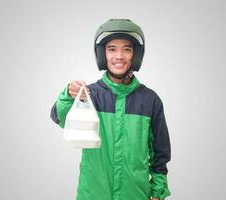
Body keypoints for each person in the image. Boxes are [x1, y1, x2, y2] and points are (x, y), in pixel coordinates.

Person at [50, 19, 171, 200]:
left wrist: (158, 191)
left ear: (135, 55)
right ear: (102, 54)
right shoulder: (89, 94)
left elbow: (160, 151)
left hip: (135, 194)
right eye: (112, 49)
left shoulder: (150, 100)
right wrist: (68, 95)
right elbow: (60, 118)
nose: (119, 56)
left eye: (127, 49)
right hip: (94, 193)